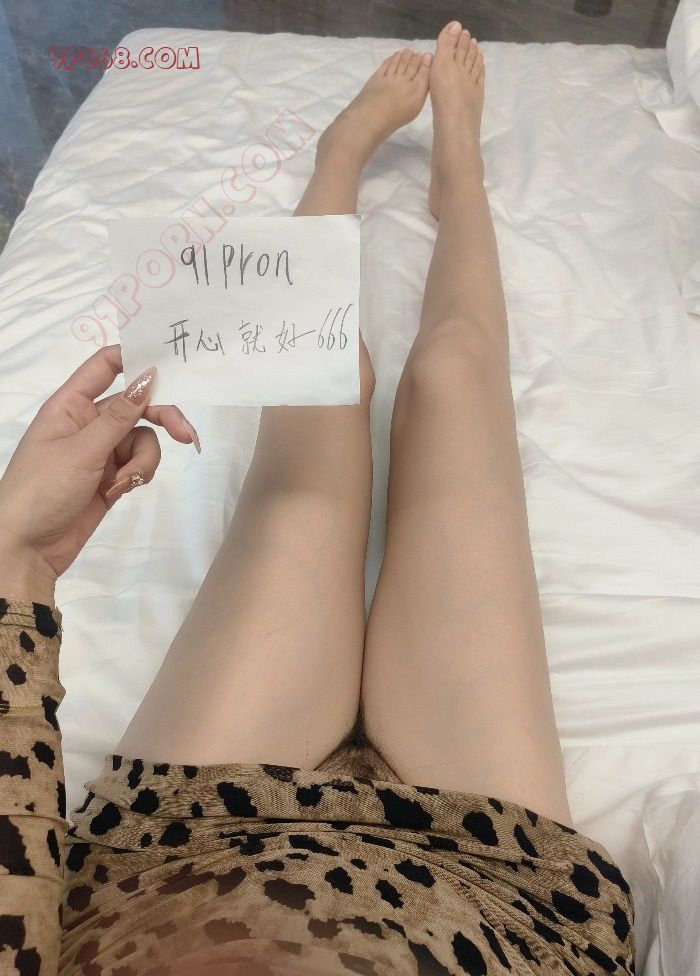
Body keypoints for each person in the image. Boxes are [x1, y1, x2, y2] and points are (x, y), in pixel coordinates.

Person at [0, 22, 635, 976]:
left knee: (325, 378)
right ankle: (451, 171)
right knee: (455, 376)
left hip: (180, 852)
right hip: (498, 889)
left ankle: (357, 160)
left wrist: (19, 558)